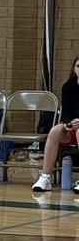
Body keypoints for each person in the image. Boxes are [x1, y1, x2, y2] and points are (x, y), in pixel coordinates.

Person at [32, 55, 79, 193]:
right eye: (78, 66)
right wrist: (67, 123)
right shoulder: (68, 87)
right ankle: (46, 177)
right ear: (74, 69)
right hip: (72, 125)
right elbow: (66, 111)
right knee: (54, 131)